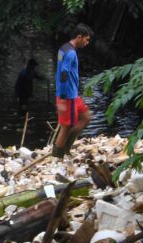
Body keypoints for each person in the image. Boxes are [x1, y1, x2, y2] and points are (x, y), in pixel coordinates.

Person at [53, 23, 93, 158]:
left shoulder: (62, 49)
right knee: (66, 127)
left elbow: (59, 70)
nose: (87, 43)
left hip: (73, 94)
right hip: (67, 95)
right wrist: (63, 96)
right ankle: (57, 156)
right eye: (86, 39)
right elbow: (64, 73)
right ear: (79, 37)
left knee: (86, 117)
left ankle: (66, 149)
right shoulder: (70, 53)